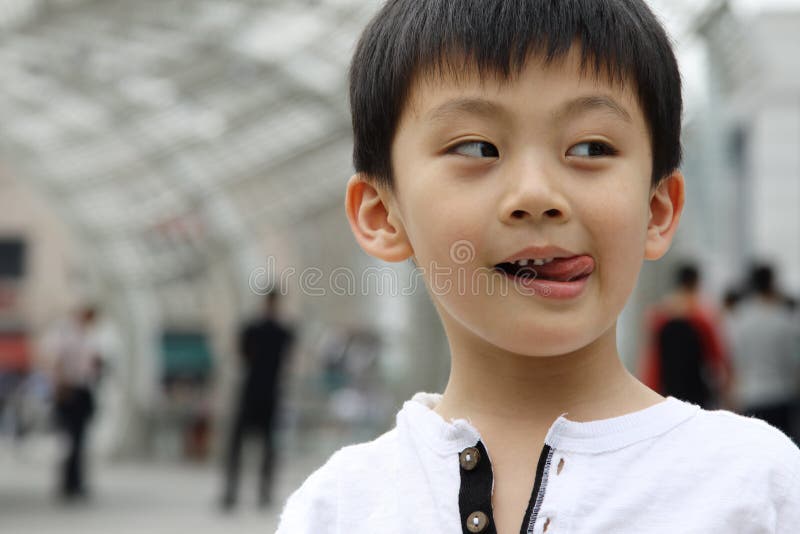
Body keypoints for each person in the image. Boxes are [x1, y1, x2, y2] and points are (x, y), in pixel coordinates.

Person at [277, 1, 800, 531]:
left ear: (658, 210)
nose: (536, 195)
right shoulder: (338, 508)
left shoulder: (755, 487)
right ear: (382, 215)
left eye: (591, 148)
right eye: (477, 147)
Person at [221, 291, 294, 509]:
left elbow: (242, 354)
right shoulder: (278, 332)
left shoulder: (265, 330)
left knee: (258, 447)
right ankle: (244, 492)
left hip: (259, 394)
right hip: (261, 393)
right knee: (251, 446)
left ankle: (252, 492)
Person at [639, 263, 732, 409]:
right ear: (696, 283)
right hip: (697, 395)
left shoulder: (660, 316)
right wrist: (727, 393)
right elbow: (717, 357)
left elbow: (653, 361)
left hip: (666, 393)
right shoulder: (702, 317)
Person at [727, 264, 800, 440]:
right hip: (781, 394)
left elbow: (735, 361)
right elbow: (793, 362)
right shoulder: (784, 318)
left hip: (751, 395)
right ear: (773, 283)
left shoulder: (740, 318)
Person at [49, 306, 104, 501]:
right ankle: (69, 482)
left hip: (83, 390)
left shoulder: (90, 337)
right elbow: (58, 362)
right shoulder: (67, 335)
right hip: (70, 390)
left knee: (79, 441)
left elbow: (93, 364)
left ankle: (76, 482)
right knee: (71, 441)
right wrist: (60, 387)